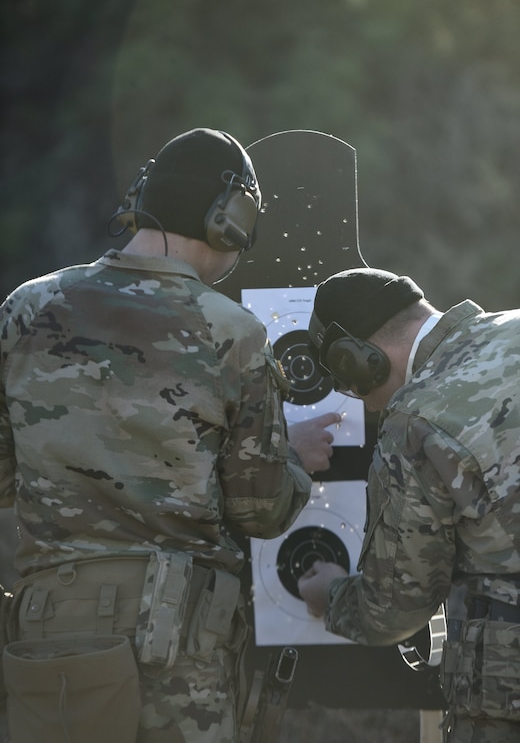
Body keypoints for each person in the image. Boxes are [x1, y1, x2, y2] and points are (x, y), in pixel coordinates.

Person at [0, 127, 339, 743]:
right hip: (175, 648)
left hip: (48, 639)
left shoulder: (26, 307)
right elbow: (259, 509)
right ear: (228, 221)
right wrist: (292, 457)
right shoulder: (231, 333)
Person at [297, 267, 520, 743]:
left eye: (350, 383)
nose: (367, 406)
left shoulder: (415, 420)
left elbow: (394, 609)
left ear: (359, 360)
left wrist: (332, 594)